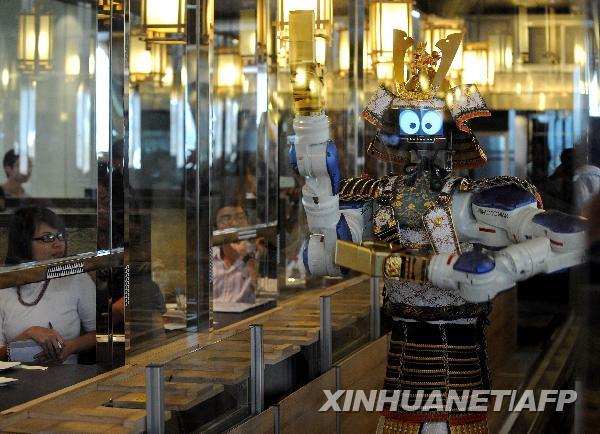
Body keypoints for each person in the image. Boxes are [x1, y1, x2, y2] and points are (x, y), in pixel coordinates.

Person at [0, 207, 96, 364]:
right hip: (17, 380)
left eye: (60, 236)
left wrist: (70, 347)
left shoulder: (75, 277)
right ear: (23, 242)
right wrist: (30, 334)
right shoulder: (4, 284)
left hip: (67, 377)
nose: (58, 244)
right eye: (47, 238)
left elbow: (99, 334)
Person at [212, 203, 265, 304]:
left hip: (247, 316)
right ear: (216, 225)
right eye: (226, 218)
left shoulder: (259, 251)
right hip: (214, 316)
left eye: (240, 217)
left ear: (247, 223)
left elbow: (264, 294)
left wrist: (248, 259)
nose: (235, 223)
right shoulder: (208, 256)